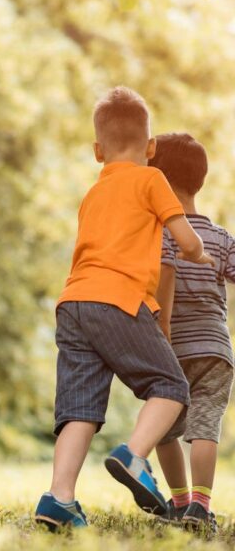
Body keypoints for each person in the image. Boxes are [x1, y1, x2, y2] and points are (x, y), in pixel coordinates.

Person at [33, 87, 213, 531]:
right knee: (171, 388)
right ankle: (134, 456)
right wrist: (200, 255)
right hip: (118, 299)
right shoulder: (152, 179)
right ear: (151, 149)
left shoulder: (94, 193)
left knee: (79, 409)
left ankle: (59, 498)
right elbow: (185, 238)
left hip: (73, 302)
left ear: (98, 151)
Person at [149, 133, 233, 533]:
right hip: (216, 349)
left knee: (163, 428)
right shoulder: (220, 238)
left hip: (170, 349)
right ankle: (200, 505)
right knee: (205, 425)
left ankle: (180, 502)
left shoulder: (157, 235)